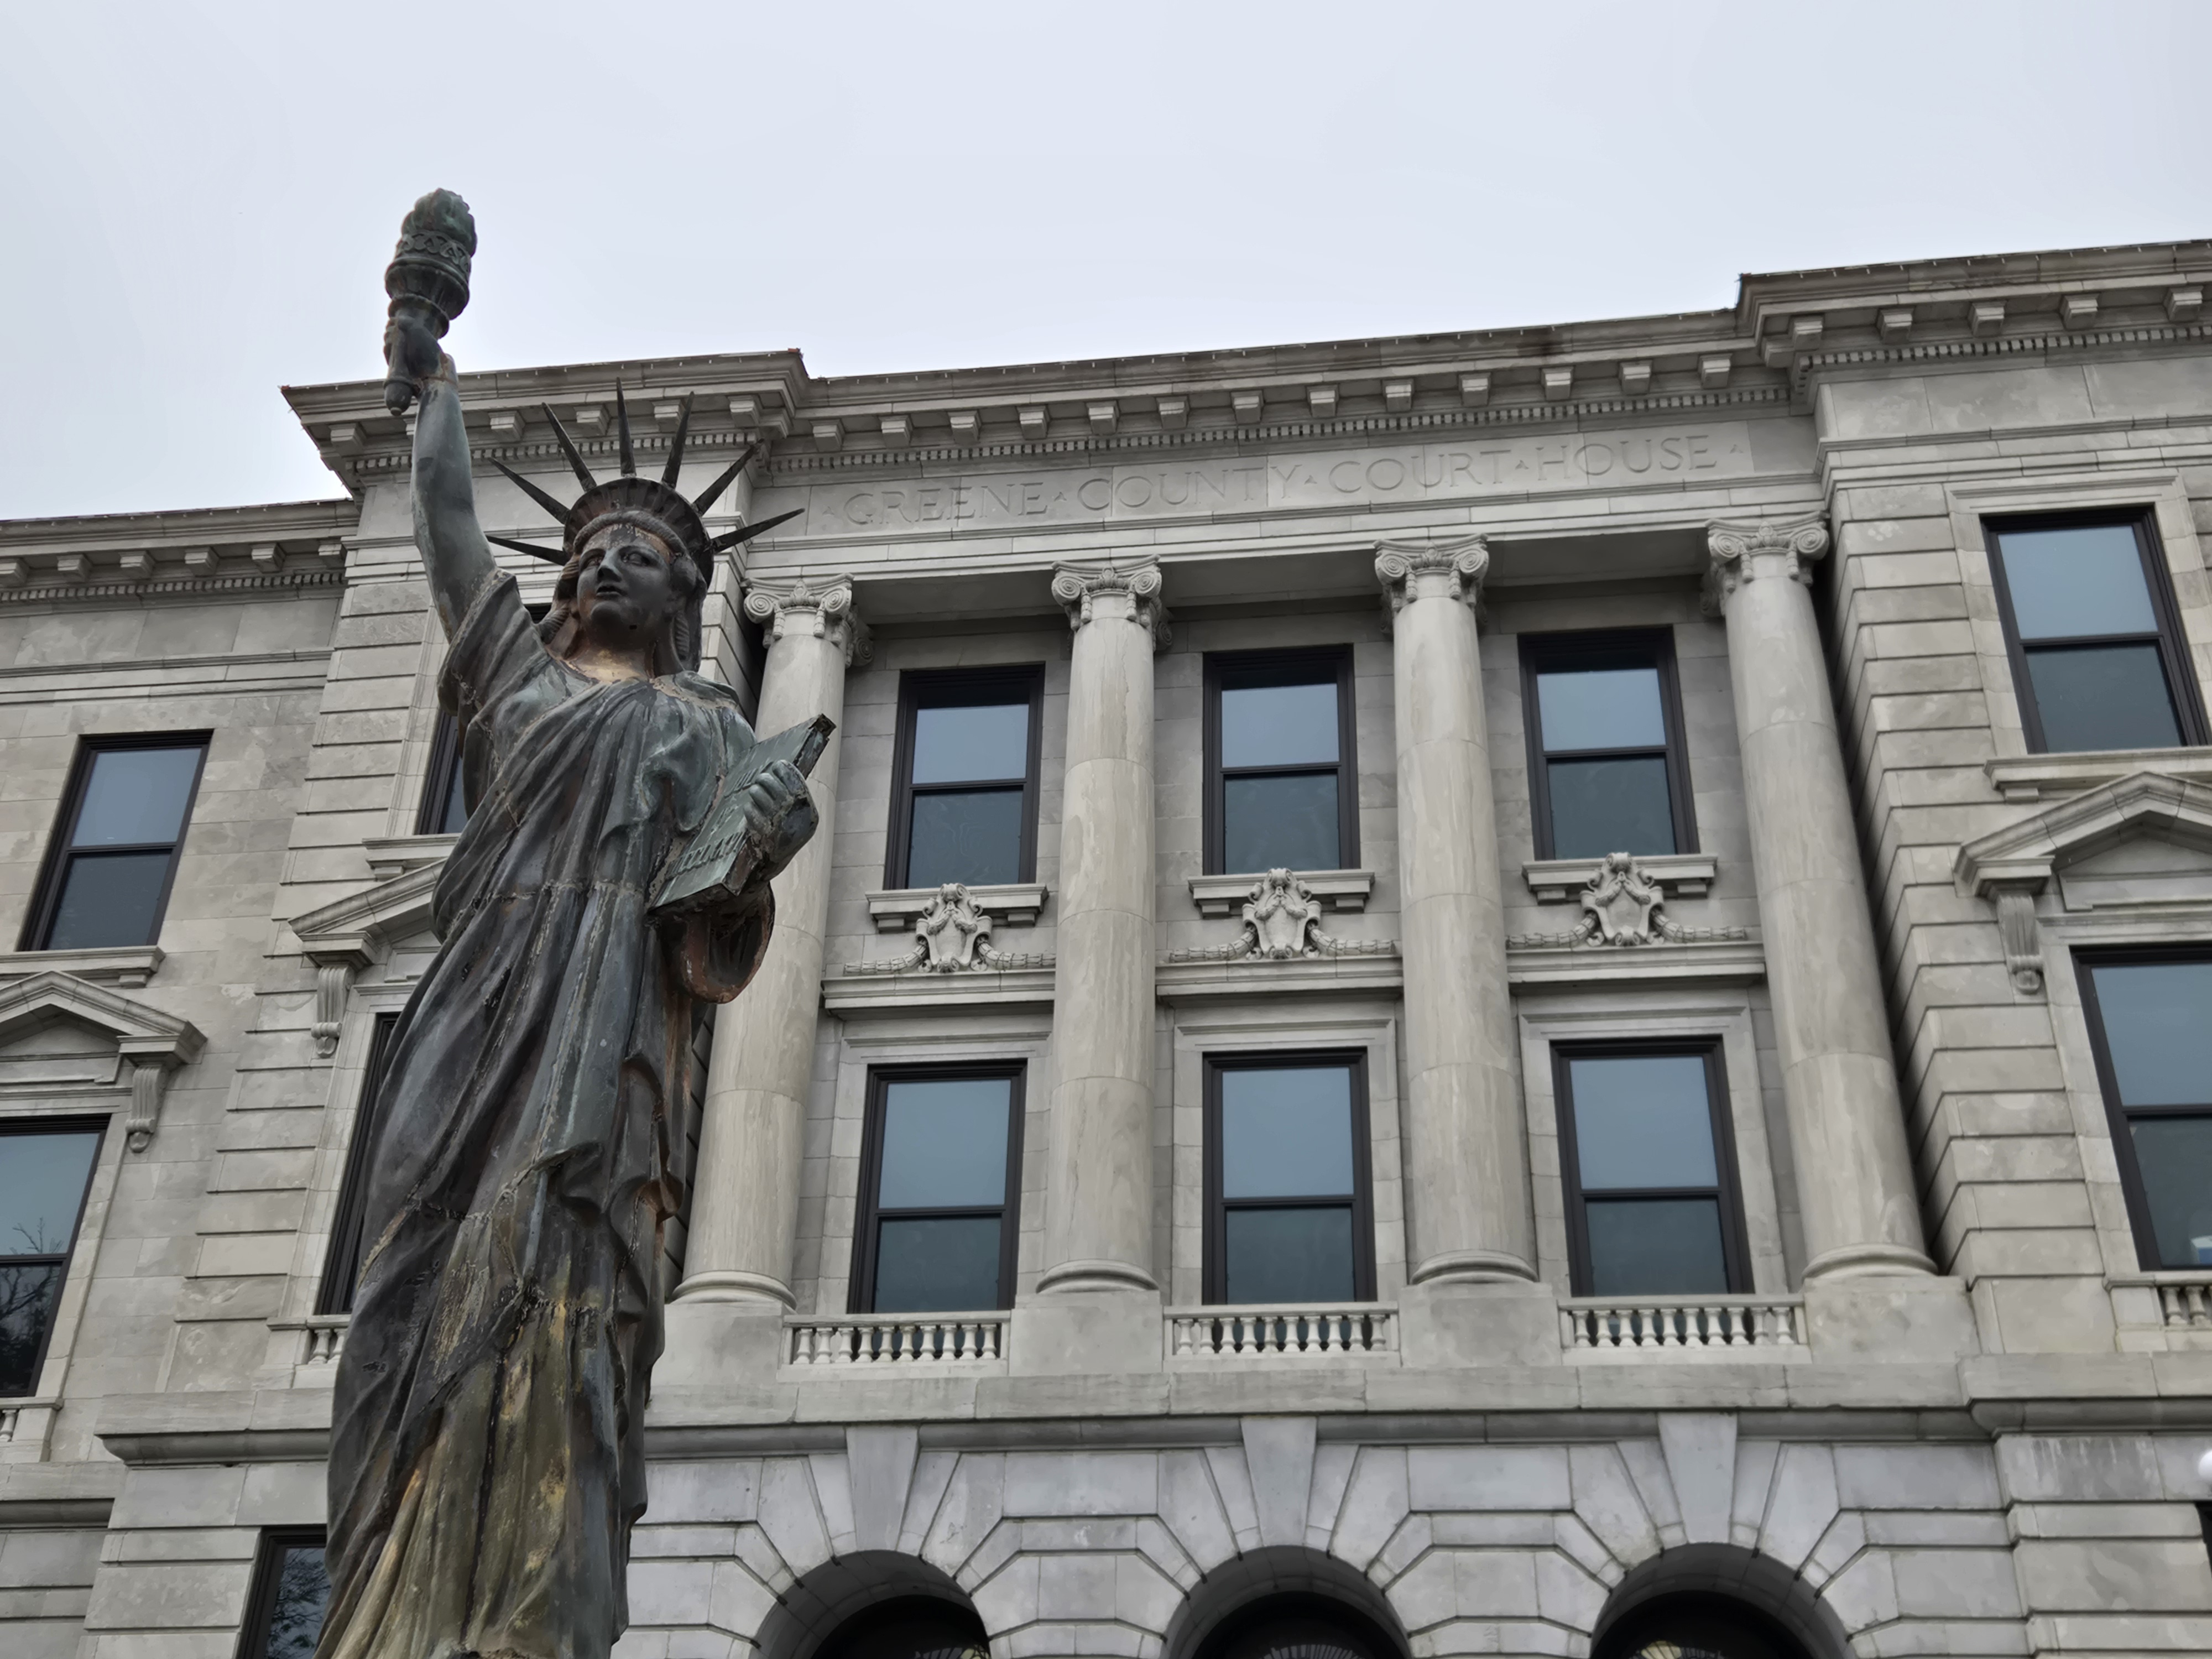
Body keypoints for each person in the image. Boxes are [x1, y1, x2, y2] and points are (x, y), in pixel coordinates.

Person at [314, 311, 818, 1659]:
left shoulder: (707, 726)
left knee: (564, 1309)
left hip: (607, 1045)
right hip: (475, 1017)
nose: (607, 562)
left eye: (642, 555)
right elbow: (447, 538)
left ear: (683, 601)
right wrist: (429, 392)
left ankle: (523, 1618)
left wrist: (747, 856)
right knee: (401, 1308)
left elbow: (713, 928)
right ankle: (377, 1610)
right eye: (591, 548)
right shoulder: (510, 686)